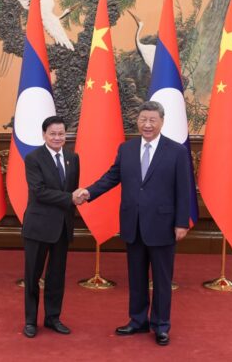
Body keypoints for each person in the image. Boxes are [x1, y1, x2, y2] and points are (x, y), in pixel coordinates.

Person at [76, 101, 191, 346]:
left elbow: (184, 190)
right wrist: (89, 192)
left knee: (161, 280)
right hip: (133, 224)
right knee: (136, 277)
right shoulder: (126, 149)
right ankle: (137, 320)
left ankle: (161, 325)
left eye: (152, 120)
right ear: (137, 121)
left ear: (161, 122)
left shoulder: (177, 152)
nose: (147, 125)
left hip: (163, 225)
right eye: (143, 120)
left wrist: (182, 222)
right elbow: (112, 176)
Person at [22, 115, 84, 338]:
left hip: (62, 227)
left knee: (57, 276)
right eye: (53, 134)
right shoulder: (33, 158)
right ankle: (30, 320)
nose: (57, 138)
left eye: (61, 134)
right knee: (33, 276)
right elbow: (39, 191)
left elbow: (73, 189)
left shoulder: (72, 158)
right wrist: (70, 198)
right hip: (38, 227)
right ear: (44, 135)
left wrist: (76, 197)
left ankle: (53, 318)